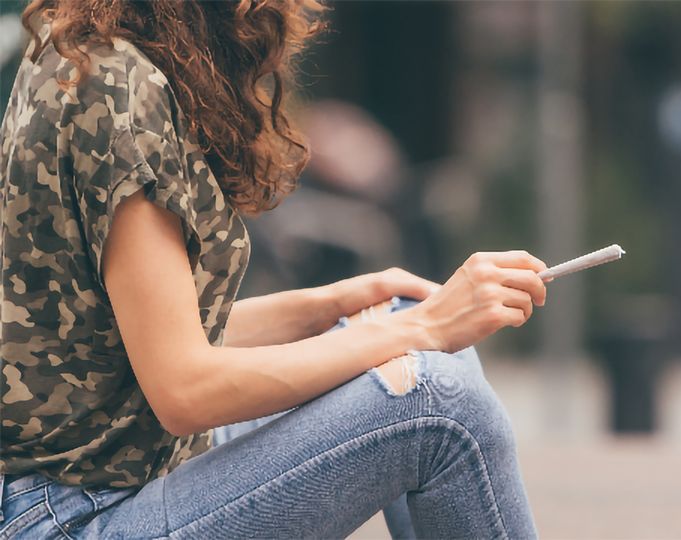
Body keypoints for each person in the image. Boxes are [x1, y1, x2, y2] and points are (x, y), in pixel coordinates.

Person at [0, 1, 545, 538]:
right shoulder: (117, 90)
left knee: (403, 318)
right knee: (443, 406)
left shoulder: (82, 45)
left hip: (94, 479)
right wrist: (420, 330)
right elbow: (184, 390)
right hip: (77, 516)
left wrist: (335, 307)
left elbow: (140, 338)